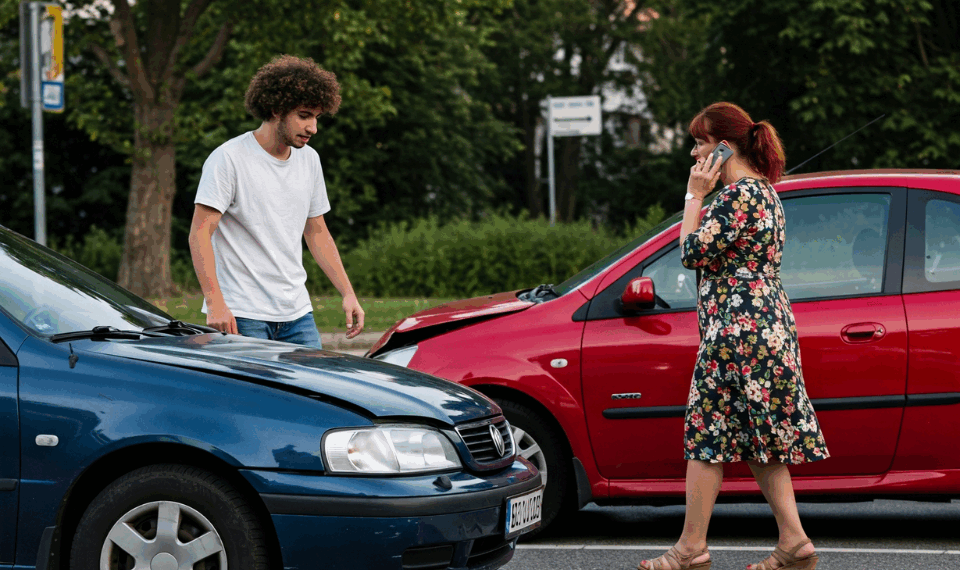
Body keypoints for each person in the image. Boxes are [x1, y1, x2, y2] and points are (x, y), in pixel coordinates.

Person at [637, 102, 829, 570]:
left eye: (700, 143)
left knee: (707, 433)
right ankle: (794, 542)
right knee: (756, 436)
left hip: (738, 332)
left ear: (724, 147)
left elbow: (691, 251)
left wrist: (692, 197)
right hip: (764, 327)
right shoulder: (765, 193)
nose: (693, 153)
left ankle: (690, 548)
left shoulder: (736, 196)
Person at [189, 55, 364, 348]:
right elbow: (200, 232)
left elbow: (317, 231)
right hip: (242, 314)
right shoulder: (229, 158)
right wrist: (214, 302)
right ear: (276, 109)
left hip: (297, 314)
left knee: (311, 393)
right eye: (305, 115)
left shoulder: (309, 160)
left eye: (317, 118)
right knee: (252, 395)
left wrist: (348, 293)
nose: (313, 128)